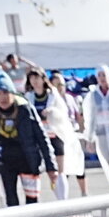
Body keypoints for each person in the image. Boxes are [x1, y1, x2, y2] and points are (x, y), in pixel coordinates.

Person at [0, 72, 54, 207]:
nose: (2, 97)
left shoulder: (25, 108)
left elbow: (41, 137)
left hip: (28, 158)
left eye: (5, 92)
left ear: (12, 93)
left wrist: (51, 166)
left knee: (32, 200)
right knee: (11, 200)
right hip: (5, 160)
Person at [27, 67, 85, 198]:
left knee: (60, 170)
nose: (35, 81)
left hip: (55, 136)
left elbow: (63, 113)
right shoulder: (29, 97)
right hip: (39, 139)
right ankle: (55, 197)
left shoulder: (52, 95)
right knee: (48, 171)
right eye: (32, 78)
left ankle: (63, 201)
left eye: (37, 78)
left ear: (43, 79)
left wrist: (52, 111)